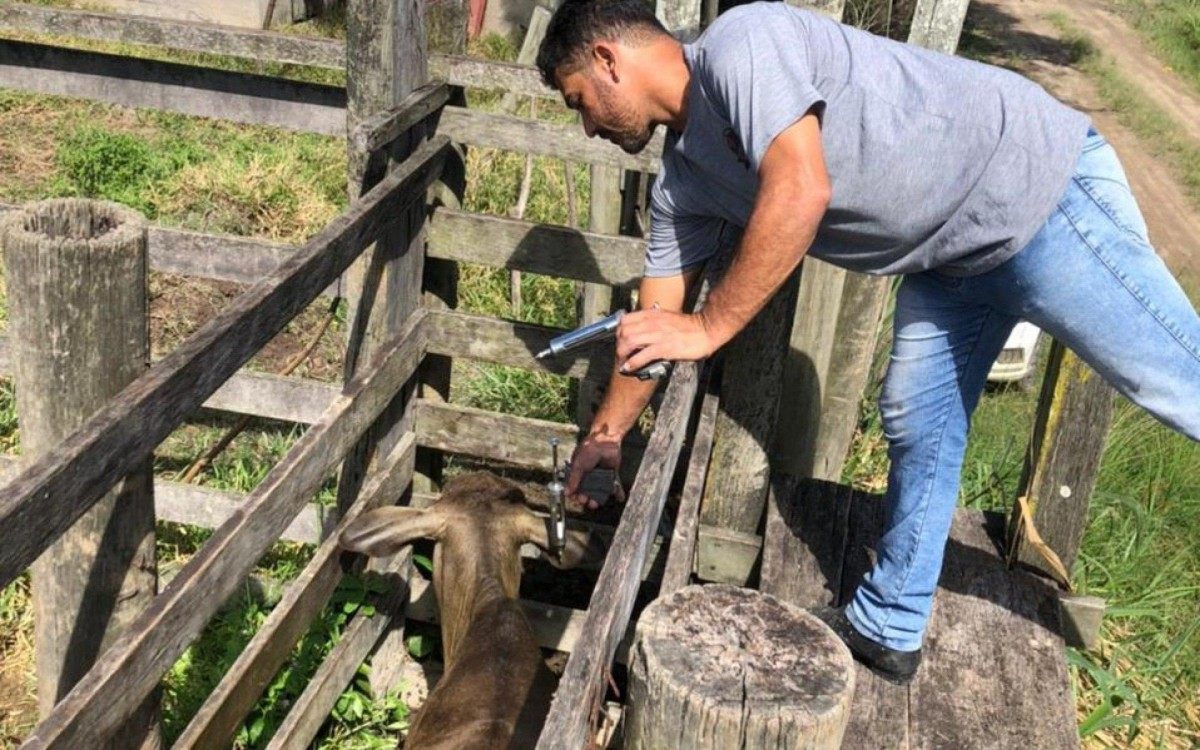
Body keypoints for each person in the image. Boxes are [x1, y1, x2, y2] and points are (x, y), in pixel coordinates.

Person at [536, 0, 1200, 683]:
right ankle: (889, 623)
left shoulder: (743, 44)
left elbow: (800, 188)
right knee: (918, 418)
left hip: (1033, 191)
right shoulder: (685, 182)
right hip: (952, 257)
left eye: (579, 101)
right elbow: (654, 321)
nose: (586, 127)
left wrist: (708, 328)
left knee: (1178, 379)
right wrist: (608, 434)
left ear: (608, 60)